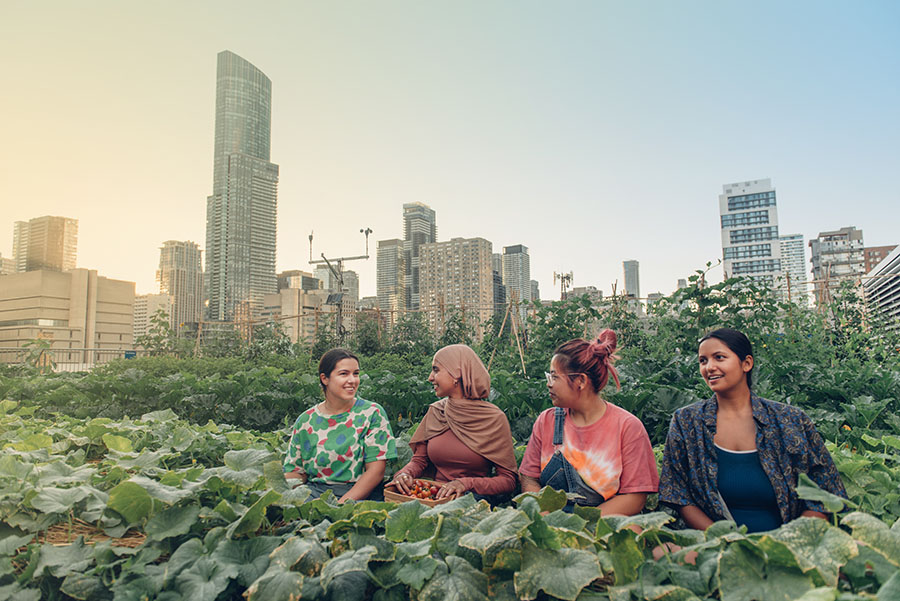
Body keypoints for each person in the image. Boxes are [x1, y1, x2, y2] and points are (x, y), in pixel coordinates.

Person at [659, 328, 847, 533]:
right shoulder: (687, 422)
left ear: (746, 363)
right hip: (712, 545)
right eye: (703, 361)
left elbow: (824, 491)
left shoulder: (790, 420)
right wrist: (725, 539)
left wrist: (791, 540)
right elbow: (678, 495)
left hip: (787, 545)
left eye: (719, 358)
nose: (709, 367)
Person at [519, 330, 659, 514]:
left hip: (604, 526)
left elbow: (635, 498)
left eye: (555, 377)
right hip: (551, 526)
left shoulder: (627, 427)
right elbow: (529, 479)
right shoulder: (547, 421)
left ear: (581, 381)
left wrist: (584, 525)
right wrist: (545, 517)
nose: (549, 383)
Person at [390, 344, 518, 502]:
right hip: (433, 498)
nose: (430, 377)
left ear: (456, 373)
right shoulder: (436, 411)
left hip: (472, 501)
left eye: (436, 370)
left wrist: (465, 484)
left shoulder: (494, 418)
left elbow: (508, 480)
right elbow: (419, 461)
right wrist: (405, 474)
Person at [283, 348, 397, 502]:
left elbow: (375, 472)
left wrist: (340, 506)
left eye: (355, 374)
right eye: (344, 374)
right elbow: (296, 472)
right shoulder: (305, 420)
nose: (352, 380)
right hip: (314, 494)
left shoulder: (372, 413)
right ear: (325, 378)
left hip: (359, 497)